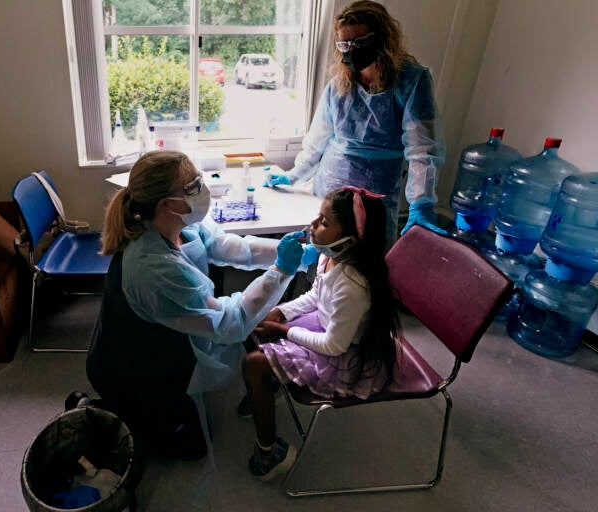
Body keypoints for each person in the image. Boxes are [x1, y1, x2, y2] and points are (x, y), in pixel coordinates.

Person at [85, 150, 306, 461]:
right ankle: (105, 410)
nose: (202, 190)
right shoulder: (151, 266)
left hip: (159, 339)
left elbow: (227, 246)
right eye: (192, 187)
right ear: (165, 203)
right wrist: (282, 270)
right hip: (132, 370)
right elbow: (230, 323)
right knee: (193, 448)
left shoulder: (177, 225)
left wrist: (291, 252)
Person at [241, 186, 400, 480]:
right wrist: (283, 312)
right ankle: (267, 383)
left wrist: (284, 330)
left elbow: (333, 346)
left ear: (350, 240)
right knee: (255, 323)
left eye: (325, 222)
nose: (314, 225)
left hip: (339, 355)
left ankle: (270, 453)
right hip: (325, 326)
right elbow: (316, 296)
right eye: (318, 217)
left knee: (252, 363)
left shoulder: (354, 284)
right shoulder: (332, 257)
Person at [265, 0, 446, 246]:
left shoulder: (411, 81)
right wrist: (294, 175)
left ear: (381, 38)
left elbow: (422, 149)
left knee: (365, 262)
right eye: (344, 44)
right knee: (322, 258)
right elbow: (318, 139)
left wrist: (421, 202)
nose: (351, 50)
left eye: (359, 43)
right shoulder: (339, 83)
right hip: (330, 185)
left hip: (375, 193)